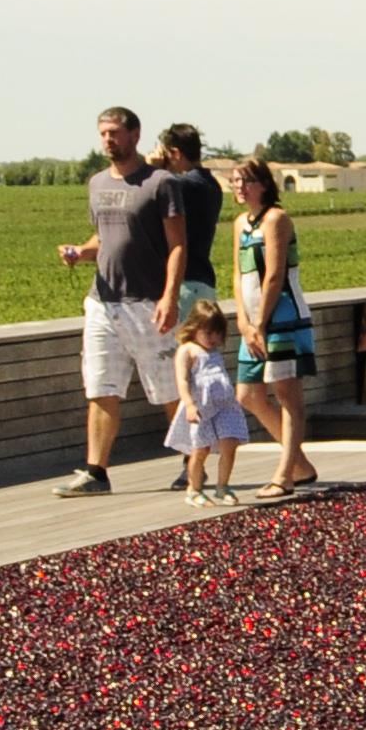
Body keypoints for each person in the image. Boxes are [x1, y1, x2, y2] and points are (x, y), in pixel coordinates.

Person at [52, 104, 181, 495]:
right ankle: (96, 471)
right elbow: (103, 239)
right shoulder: (97, 185)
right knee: (101, 386)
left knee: (169, 388)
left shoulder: (159, 183)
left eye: (115, 133)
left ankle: (194, 461)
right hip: (103, 302)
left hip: (147, 301)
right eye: (103, 133)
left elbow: (178, 245)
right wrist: (79, 251)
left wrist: (170, 296)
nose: (108, 140)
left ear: (134, 135)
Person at [226, 156, 322, 497]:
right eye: (235, 181)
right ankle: (299, 461)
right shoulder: (241, 223)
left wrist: (261, 322)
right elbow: (239, 274)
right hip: (252, 322)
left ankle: (285, 474)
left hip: (282, 320)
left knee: (286, 394)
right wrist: (242, 319)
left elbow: (274, 275)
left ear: (263, 184)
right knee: (248, 394)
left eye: (246, 181)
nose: (239, 187)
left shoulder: (276, 219)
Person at [148, 123, 227, 488]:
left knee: (185, 376)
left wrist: (153, 168)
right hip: (202, 283)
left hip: (186, 286)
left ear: (174, 153)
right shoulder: (209, 184)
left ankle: (194, 462)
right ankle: (195, 460)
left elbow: (152, 185)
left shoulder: (182, 184)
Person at [163, 303, 257, 503]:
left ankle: (223, 486)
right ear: (194, 328)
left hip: (224, 405)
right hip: (201, 406)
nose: (214, 339)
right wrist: (189, 404)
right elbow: (182, 380)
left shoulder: (213, 351)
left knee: (229, 443)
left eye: (218, 334)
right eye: (208, 333)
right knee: (200, 449)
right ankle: (194, 489)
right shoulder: (188, 350)